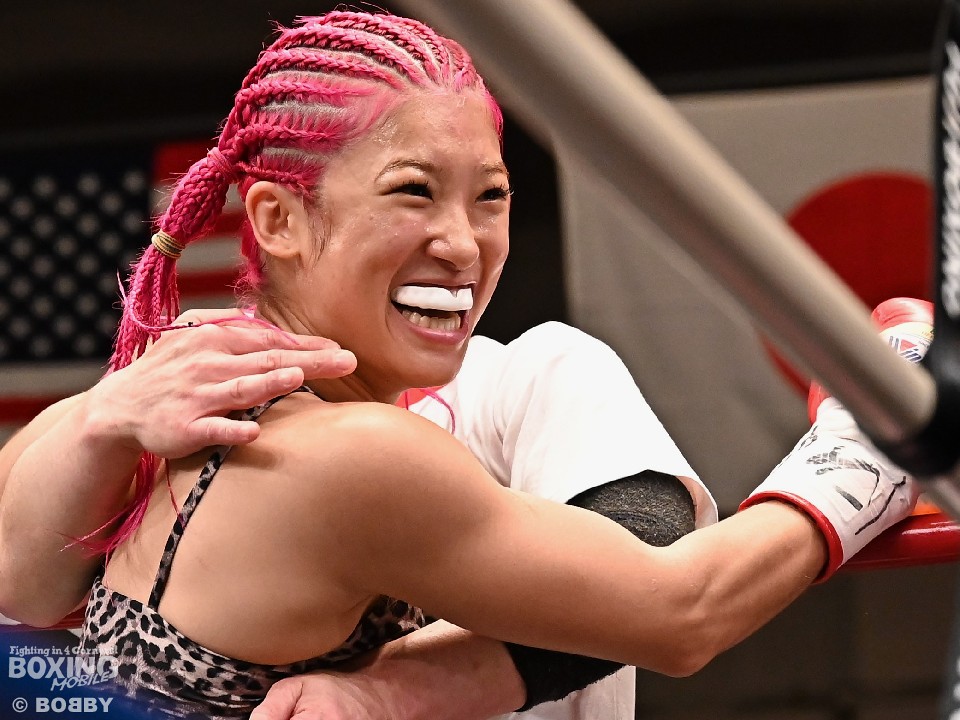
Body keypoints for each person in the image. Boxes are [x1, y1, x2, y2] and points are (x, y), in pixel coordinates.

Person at [0, 9, 919, 720]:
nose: (462, 243)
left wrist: (401, 690)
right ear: (278, 220)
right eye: (413, 191)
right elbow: (686, 611)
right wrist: (876, 437)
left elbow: (23, 587)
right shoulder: (346, 455)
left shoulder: (171, 397)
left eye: (491, 197)